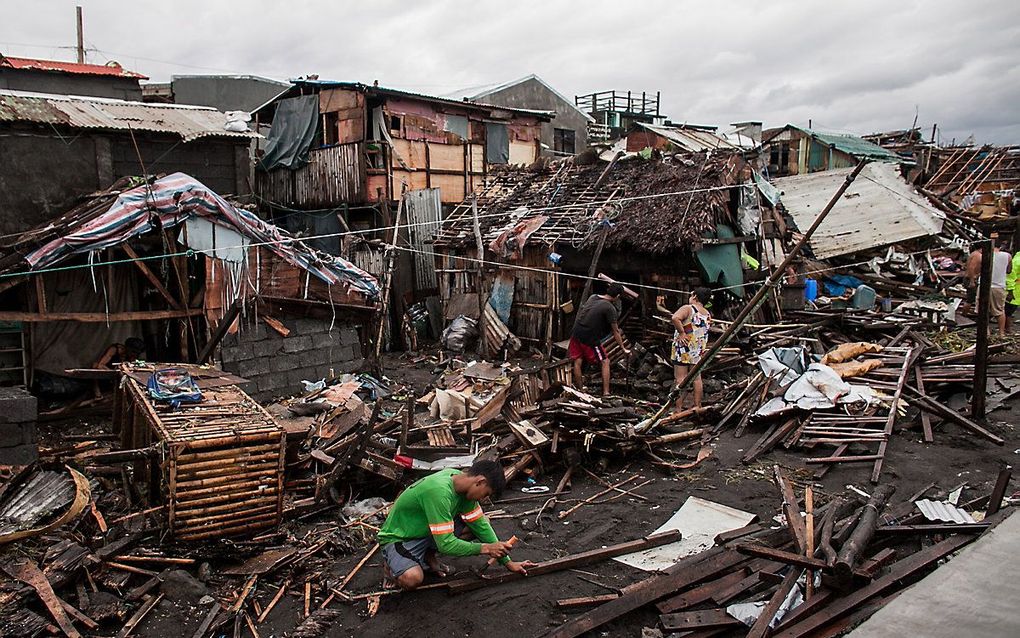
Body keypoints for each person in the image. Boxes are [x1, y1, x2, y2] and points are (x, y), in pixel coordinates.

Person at [377, 460, 534, 591]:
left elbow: (480, 526)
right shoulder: (439, 492)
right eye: (486, 494)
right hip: (399, 538)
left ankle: (427, 556)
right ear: (480, 482)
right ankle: (391, 567)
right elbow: (445, 545)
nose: (484, 499)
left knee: (482, 522)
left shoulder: (461, 483)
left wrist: (508, 562)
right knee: (412, 579)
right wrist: (485, 548)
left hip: (425, 532)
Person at [568, 283, 630, 395]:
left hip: (576, 332)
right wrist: (623, 348)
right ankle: (606, 392)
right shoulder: (610, 308)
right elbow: (615, 331)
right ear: (617, 296)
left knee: (578, 361)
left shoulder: (593, 297)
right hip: (589, 337)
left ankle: (581, 390)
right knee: (605, 361)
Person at [670, 287, 712, 413]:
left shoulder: (688, 308)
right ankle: (697, 406)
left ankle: (678, 409)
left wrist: (682, 333)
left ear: (695, 296)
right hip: (698, 349)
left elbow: (675, 318)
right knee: (697, 378)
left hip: (684, 347)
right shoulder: (707, 313)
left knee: (680, 378)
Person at [1005, 249, 1020, 333]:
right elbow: (1010, 277)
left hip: (1017, 290)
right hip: (1015, 290)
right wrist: (1010, 291)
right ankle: (1008, 328)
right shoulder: (1017, 261)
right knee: (1009, 310)